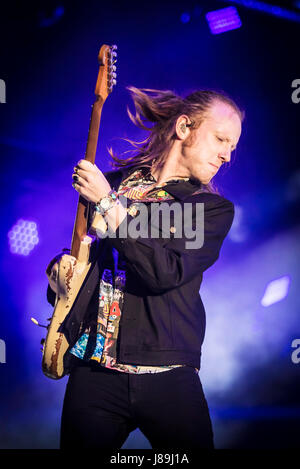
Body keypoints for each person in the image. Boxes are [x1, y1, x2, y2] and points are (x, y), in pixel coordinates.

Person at [46, 86, 243, 450]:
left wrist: (108, 204)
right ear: (184, 127)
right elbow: (83, 260)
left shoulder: (209, 210)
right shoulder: (114, 184)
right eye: (221, 139)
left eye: (232, 146)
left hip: (167, 375)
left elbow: (164, 271)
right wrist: (60, 271)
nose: (227, 155)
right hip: (95, 373)